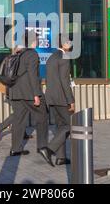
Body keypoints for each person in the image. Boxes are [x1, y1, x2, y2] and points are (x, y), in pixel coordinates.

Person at [8, 30, 49, 157]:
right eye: (36, 39)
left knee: (18, 120)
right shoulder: (32, 54)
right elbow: (33, 76)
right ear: (32, 41)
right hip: (28, 93)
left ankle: (15, 149)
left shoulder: (17, 53)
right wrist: (36, 94)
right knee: (43, 116)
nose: (37, 42)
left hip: (15, 91)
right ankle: (42, 146)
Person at [39, 36, 75, 167]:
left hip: (51, 97)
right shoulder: (64, 57)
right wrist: (71, 100)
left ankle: (61, 158)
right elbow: (65, 81)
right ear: (65, 44)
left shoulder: (51, 56)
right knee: (70, 125)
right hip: (61, 97)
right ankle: (49, 149)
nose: (71, 44)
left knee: (60, 126)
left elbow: (49, 79)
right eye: (69, 42)